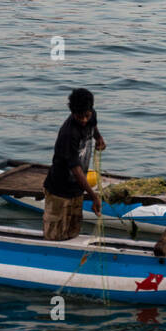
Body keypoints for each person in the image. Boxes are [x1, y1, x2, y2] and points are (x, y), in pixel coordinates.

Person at [41, 88, 106, 241]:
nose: (84, 120)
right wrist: (93, 195)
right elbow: (75, 169)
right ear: (72, 113)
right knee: (54, 235)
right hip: (60, 190)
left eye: (86, 116)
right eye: (79, 117)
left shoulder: (91, 114)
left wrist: (99, 138)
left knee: (73, 231)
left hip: (77, 189)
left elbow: (93, 124)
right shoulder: (68, 134)